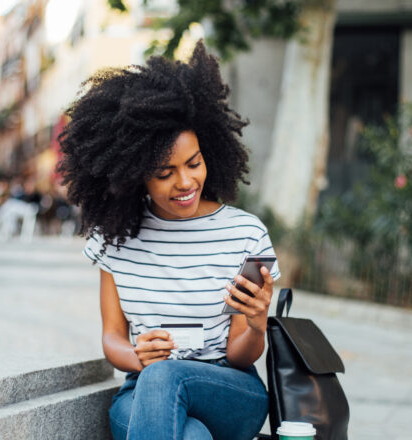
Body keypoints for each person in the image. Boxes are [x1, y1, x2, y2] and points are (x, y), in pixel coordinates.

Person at [57, 41, 280, 440]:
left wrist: (258, 326)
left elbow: (238, 353)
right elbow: (112, 337)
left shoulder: (244, 233)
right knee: (188, 433)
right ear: (134, 173)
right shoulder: (116, 239)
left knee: (165, 378)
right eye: (165, 172)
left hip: (230, 390)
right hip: (142, 391)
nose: (185, 182)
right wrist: (137, 357)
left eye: (194, 163)